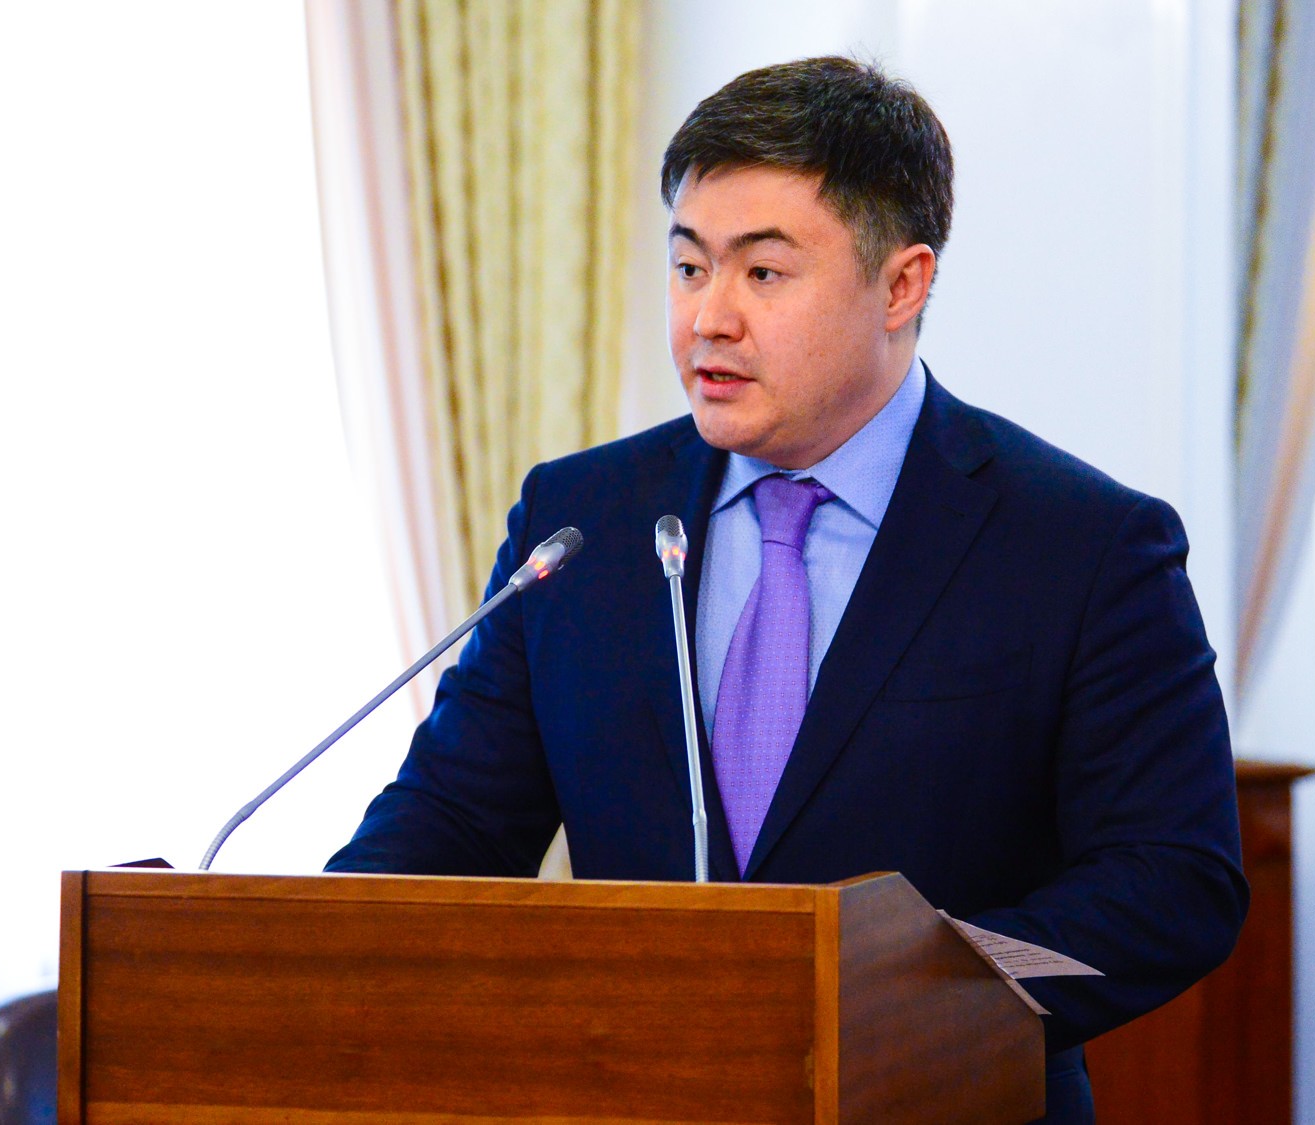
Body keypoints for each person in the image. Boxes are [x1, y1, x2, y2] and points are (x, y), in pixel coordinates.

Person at [328, 56, 1246, 1124]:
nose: (707, 319)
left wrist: (907, 993)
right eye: (688, 267)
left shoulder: (1080, 545)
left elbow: (1170, 881)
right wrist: (288, 946)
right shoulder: (581, 522)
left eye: (762, 274)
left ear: (901, 286)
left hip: (938, 1100)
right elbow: (450, 823)